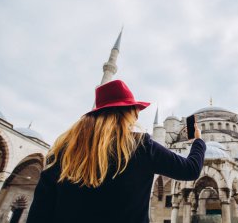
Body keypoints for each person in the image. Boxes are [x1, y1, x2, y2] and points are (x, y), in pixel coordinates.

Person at [27, 79, 206, 223]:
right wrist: (197, 141)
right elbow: (191, 169)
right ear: (126, 113)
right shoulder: (141, 146)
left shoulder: (61, 152)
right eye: (134, 112)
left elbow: (39, 214)